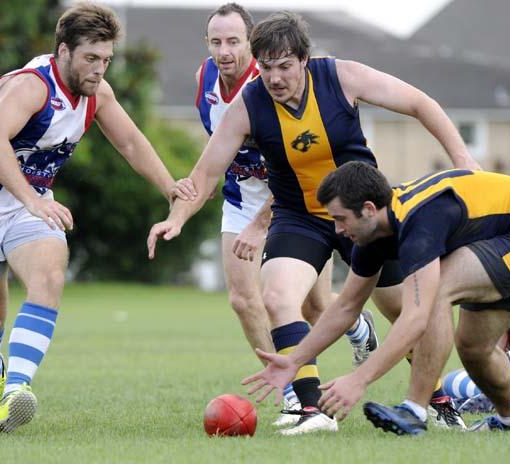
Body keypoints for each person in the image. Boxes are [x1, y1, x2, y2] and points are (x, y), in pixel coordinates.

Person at [148, 11, 479, 435]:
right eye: (266, 68)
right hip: (298, 216)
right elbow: (206, 173)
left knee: (406, 308)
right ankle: (312, 411)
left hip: (365, 215)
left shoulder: (342, 77)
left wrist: (463, 160)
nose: (275, 77)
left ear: (304, 60)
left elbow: (420, 103)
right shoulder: (248, 104)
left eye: (284, 66)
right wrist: (175, 217)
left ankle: (436, 398)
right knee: (277, 295)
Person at [0, 2, 193, 433]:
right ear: (64, 51)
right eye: (91, 58)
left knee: (51, 274)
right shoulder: (32, 87)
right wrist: (32, 198)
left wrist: (169, 187)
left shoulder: (98, 93)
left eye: (106, 60)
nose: (99, 69)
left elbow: (130, 142)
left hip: (27, 209)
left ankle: (15, 391)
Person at [242, 161, 510, 435]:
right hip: (498, 237)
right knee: (474, 349)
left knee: (437, 292)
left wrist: (360, 379)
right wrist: (295, 359)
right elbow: (346, 305)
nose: (338, 230)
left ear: (369, 209)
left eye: (341, 218)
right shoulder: (373, 236)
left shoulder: (419, 221)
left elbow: (416, 316)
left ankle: (415, 410)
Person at [195, 3, 365, 428]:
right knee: (245, 298)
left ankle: (359, 330)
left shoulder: (272, 81)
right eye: (216, 41)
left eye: (233, 41)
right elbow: (208, 165)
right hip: (240, 198)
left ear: (250, 44)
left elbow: (300, 169)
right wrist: (177, 210)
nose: (224, 50)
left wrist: (262, 223)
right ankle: (295, 394)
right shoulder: (205, 80)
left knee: (316, 305)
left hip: (291, 200)